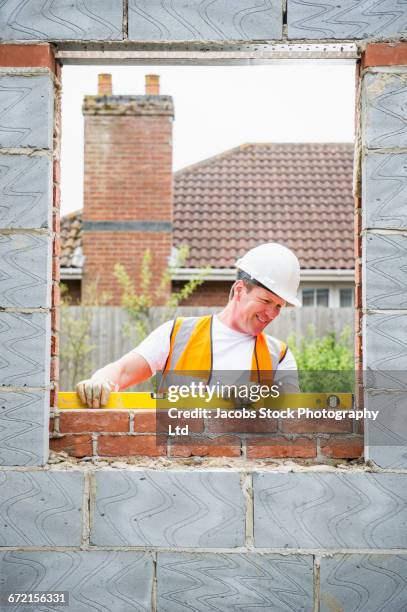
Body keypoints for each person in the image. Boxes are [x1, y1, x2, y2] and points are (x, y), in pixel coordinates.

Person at [76, 242, 301, 408]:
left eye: (279, 306)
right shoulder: (177, 334)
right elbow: (122, 371)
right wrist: (99, 382)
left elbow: (291, 415)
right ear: (240, 290)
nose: (272, 313)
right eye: (266, 301)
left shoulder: (278, 356)